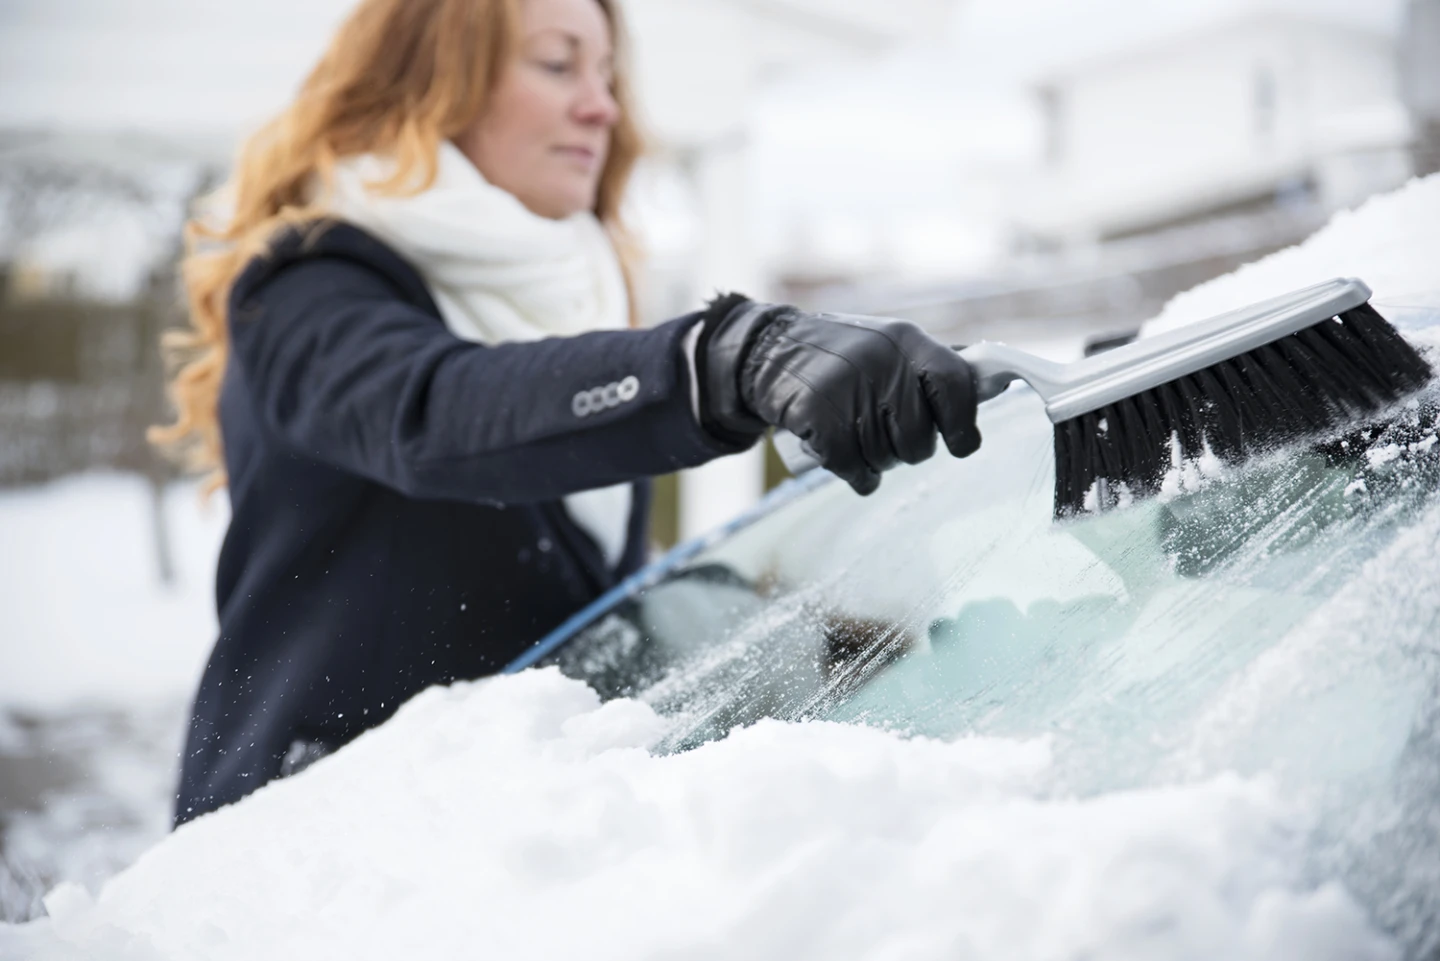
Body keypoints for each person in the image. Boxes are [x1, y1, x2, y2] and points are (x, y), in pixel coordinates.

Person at [153, 0, 982, 824]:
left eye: (607, 72)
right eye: (558, 63)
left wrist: (822, 638)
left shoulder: (569, 304)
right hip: (309, 864)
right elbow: (436, 412)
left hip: (506, 855)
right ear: (429, 80)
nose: (603, 105)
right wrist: (717, 361)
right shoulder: (303, 286)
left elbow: (582, 610)